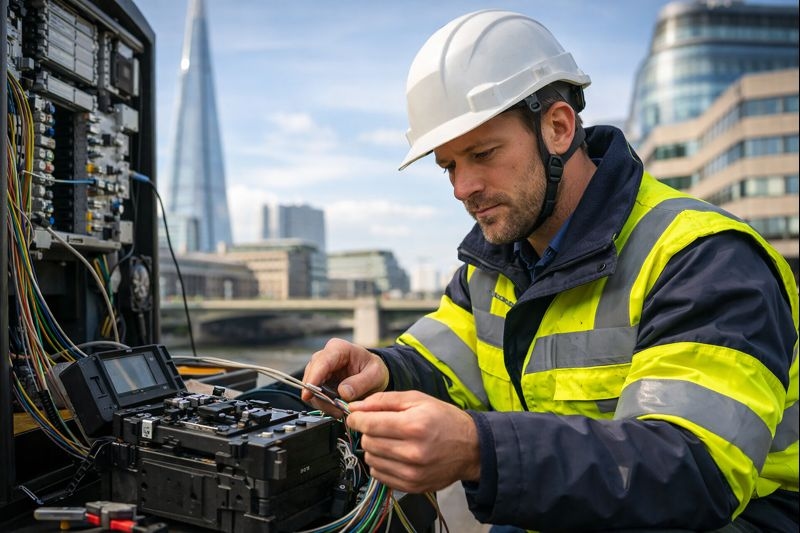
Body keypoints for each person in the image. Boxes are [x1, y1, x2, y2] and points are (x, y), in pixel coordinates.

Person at [302, 10, 799, 532]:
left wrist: (481, 451)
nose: (462, 187)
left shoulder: (704, 258)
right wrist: (382, 369)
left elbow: (693, 470)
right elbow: (444, 363)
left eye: (483, 153)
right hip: (560, 504)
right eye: (448, 165)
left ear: (558, 128)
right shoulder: (492, 268)